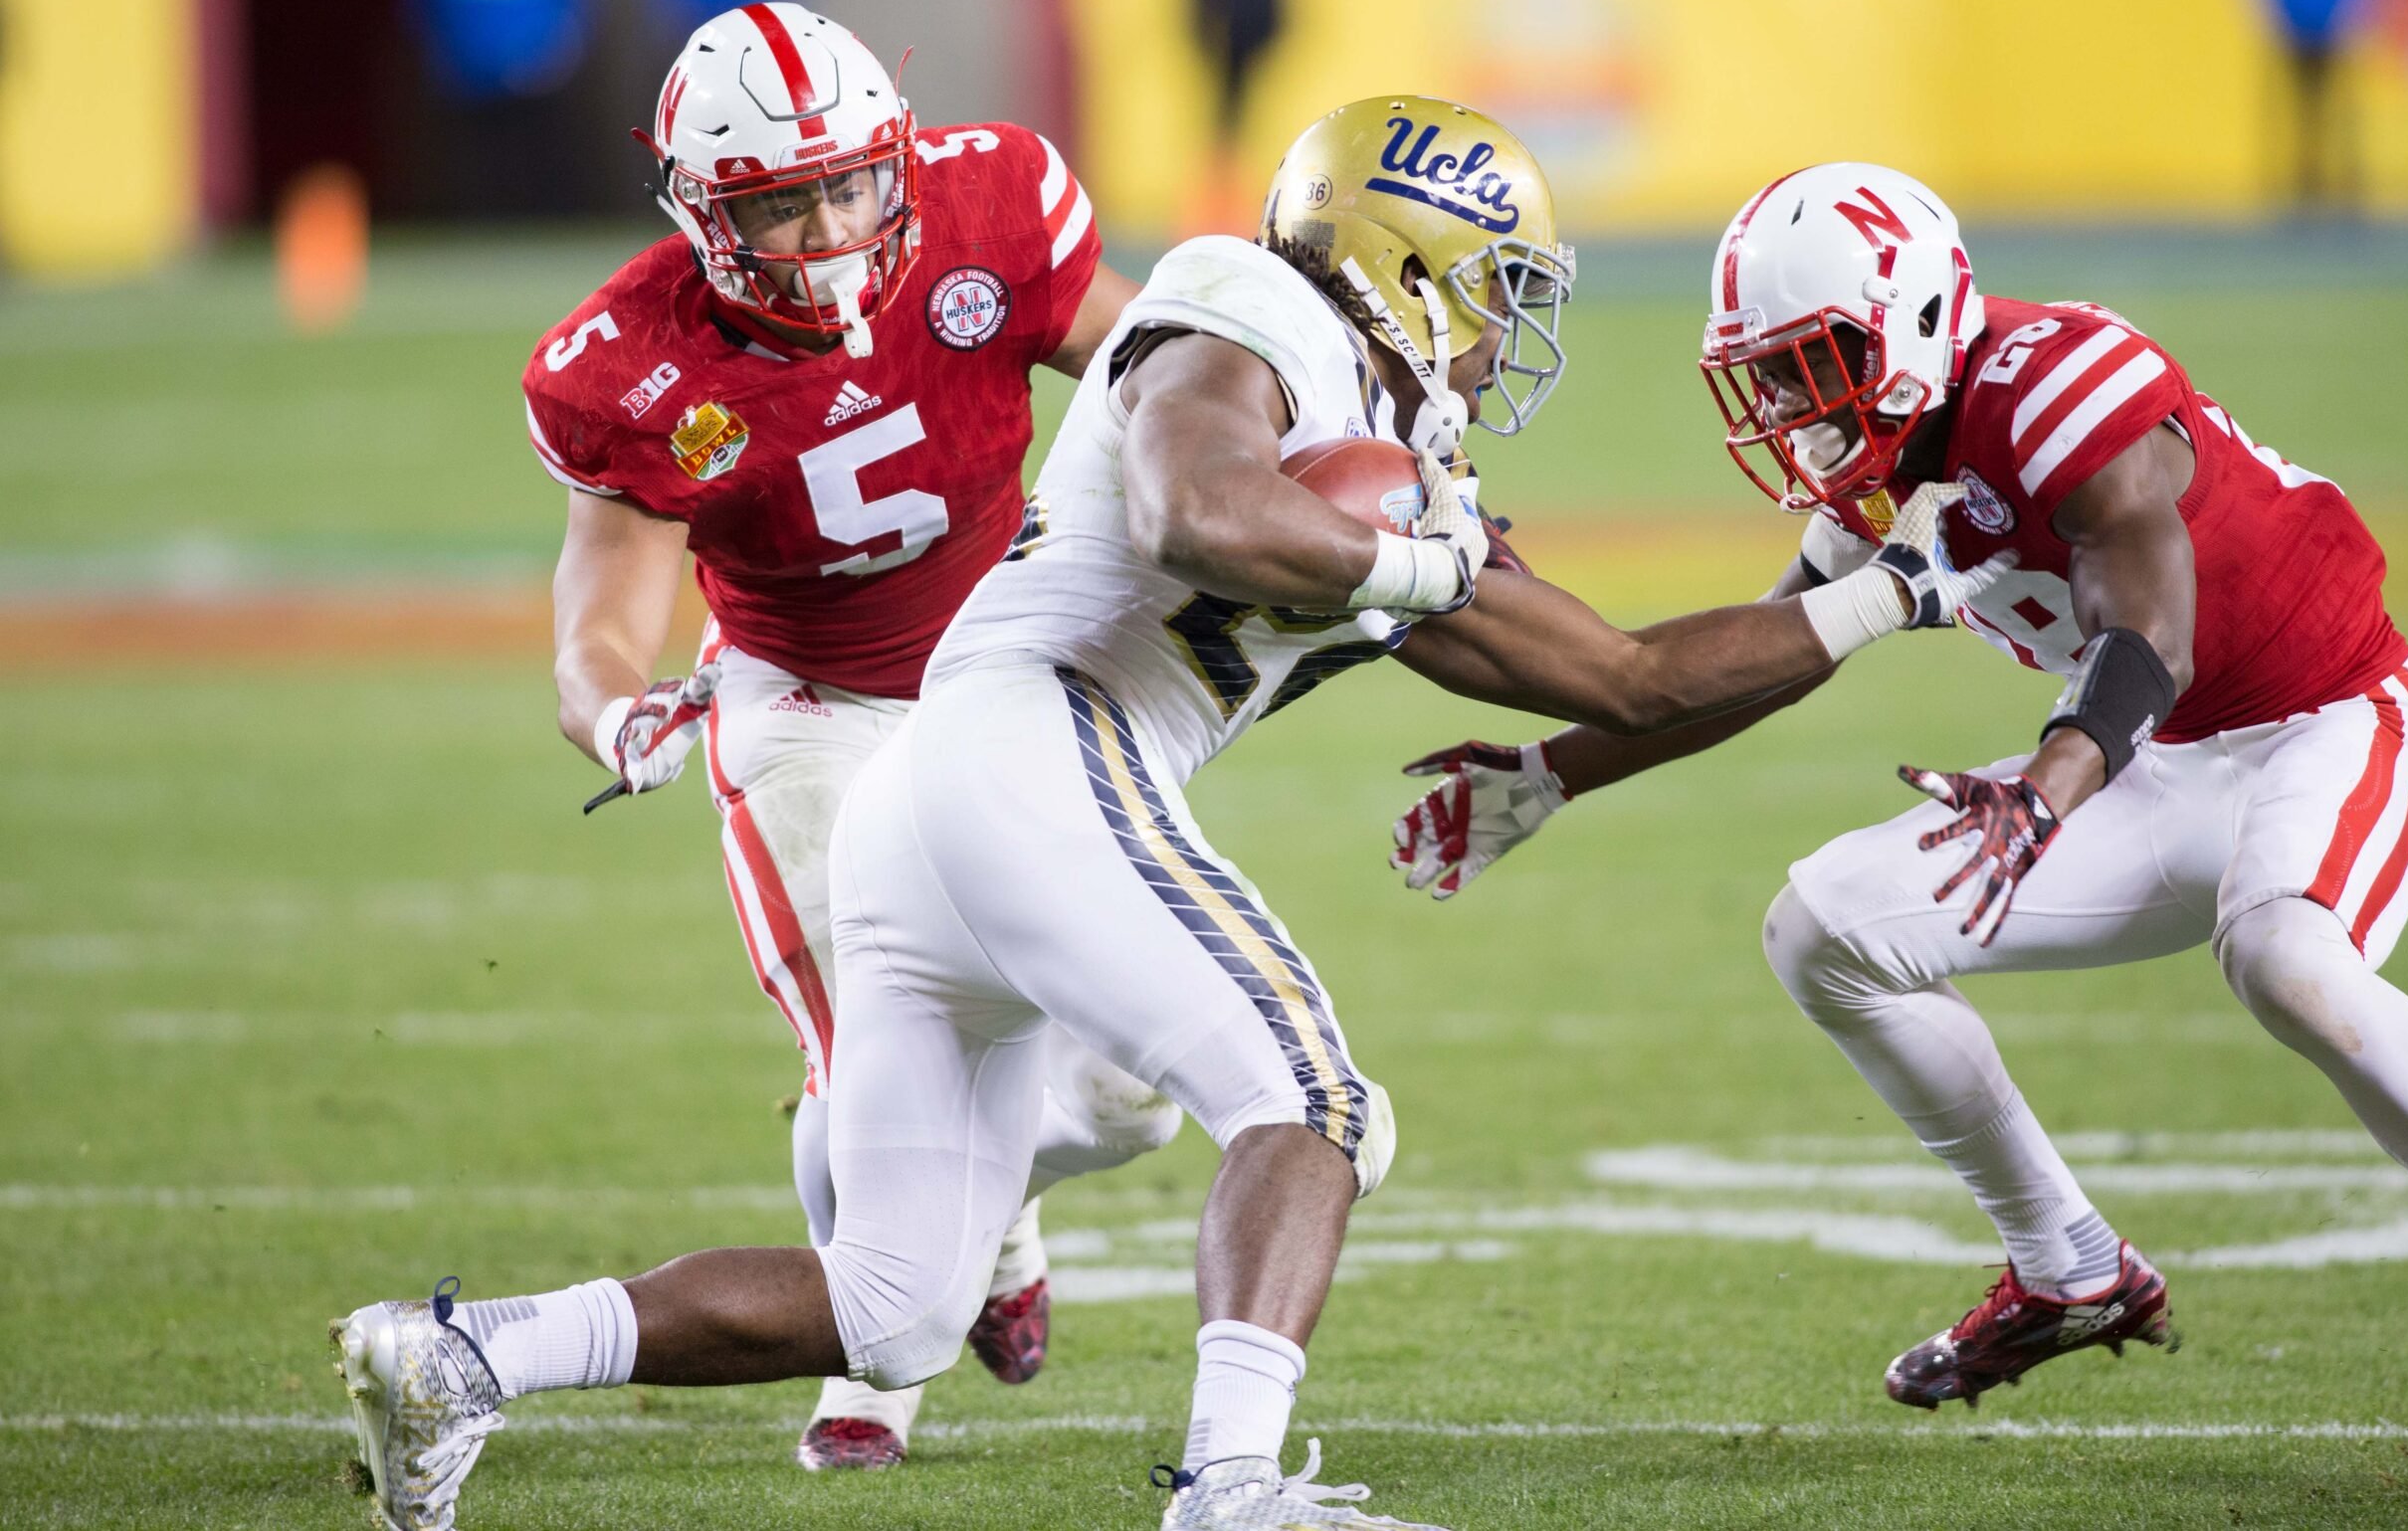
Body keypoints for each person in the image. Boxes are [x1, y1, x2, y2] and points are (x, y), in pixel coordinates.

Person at [330, 100, 2005, 1531]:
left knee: (897, 1308)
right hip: (1028, 749)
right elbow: (1201, 508)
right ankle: (1231, 1484)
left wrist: (1881, 597)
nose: (1505, 334)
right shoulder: (1244, 306)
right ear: (1407, 258)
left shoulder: (1389, 450)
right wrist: (1415, 565)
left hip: (946, 801)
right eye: (1495, 288)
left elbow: (1634, 676)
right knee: (1315, 1099)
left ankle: (462, 1351)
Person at [1389, 161, 2408, 1410]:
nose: (1785, 400)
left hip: (2332, 724)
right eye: (1768, 369)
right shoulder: (1881, 468)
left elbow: (2151, 639)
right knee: (1823, 930)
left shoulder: (2053, 380)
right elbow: (1759, 666)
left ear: (1910, 322)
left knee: (2287, 959)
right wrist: (1551, 775)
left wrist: (2047, 788)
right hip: (2145, 767)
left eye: (1810, 359)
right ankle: (2069, 1270)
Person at [518, 0, 1179, 1470]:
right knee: (871, 1060)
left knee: (1135, 1095)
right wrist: (616, 709)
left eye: (844, 184)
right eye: (774, 201)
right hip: (808, 708)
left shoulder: (992, 198)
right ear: (699, 206)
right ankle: (876, 1369)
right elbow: (602, 610)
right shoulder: (628, 359)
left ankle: (997, 1207)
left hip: (1021, 681)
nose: (823, 228)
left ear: (894, 155)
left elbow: (1165, 385)